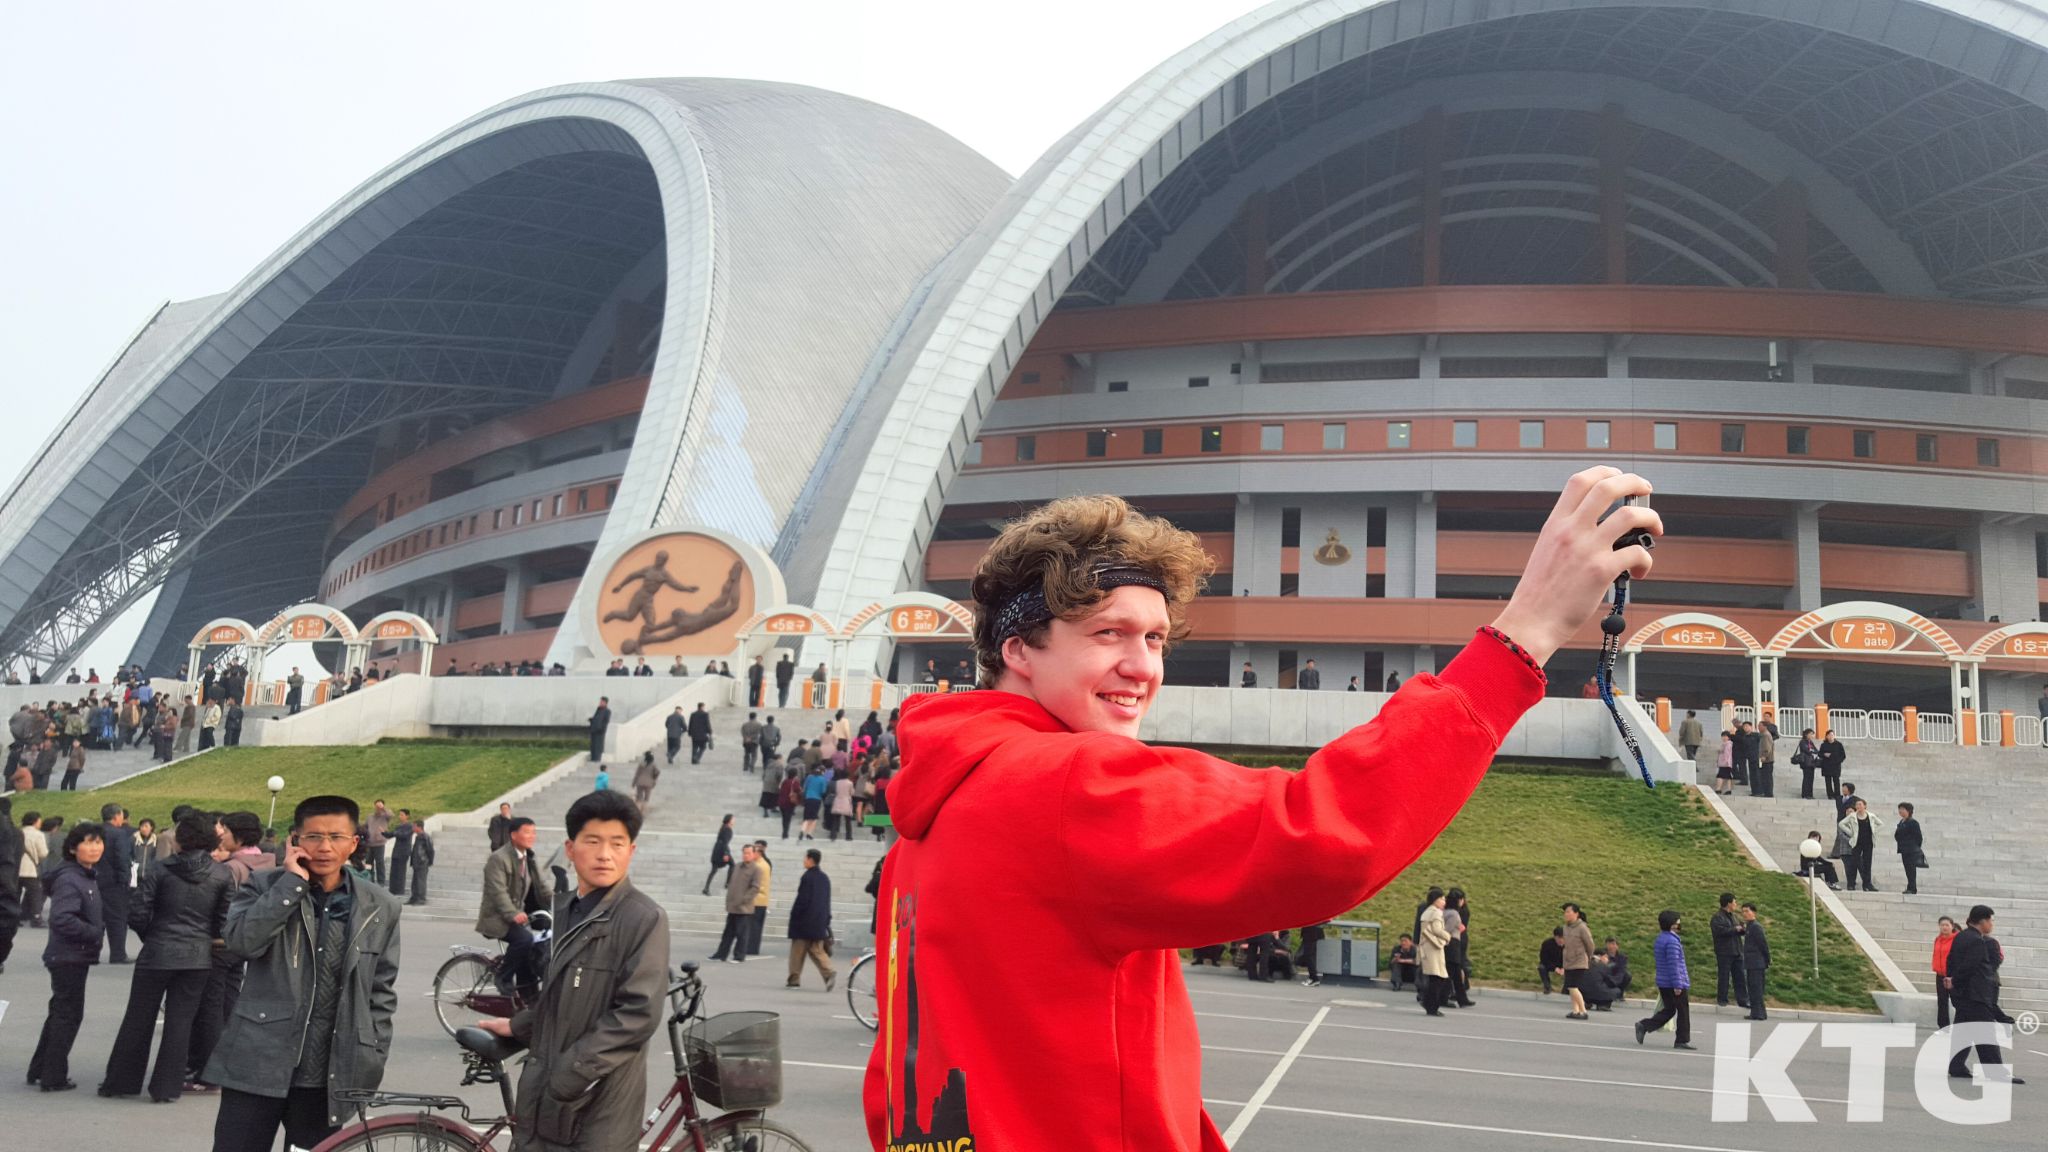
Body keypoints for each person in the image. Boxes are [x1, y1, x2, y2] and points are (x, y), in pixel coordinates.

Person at [859, 469, 1657, 1148]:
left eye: (1158, 640)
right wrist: (1526, 632)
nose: (1142, 667)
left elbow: (897, 1074)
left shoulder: (926, 821)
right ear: (1019, 649)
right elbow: (1324, 830)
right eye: (1110, 633)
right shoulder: (1059, 785)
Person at [203, 796, 401, 1152]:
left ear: (354, 842)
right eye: (314, 836)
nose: (325, 847)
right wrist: (290, 885)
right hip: (257, 1062)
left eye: (337, 837)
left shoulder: (379, 905)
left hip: (329, 1072)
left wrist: (372, 1052)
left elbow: (380, 991)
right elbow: (242, 943)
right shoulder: (264, 886)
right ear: (294, 840)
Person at [476, 790, 670, 1152]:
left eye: (617, 843)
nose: (604, 854)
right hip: (547, 1092)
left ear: (631, 851)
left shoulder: (643, 917)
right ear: (570, 848)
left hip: (597, 1101)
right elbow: (563, 998)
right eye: (592, 841)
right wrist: (518, 1027)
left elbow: (637, 1015)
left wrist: (569, 1075)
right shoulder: (567, 910)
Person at [98, 814, 232, 1102]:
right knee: (180, 1022)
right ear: (212, 840)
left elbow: (137, 913)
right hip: (197, 957)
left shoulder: (160, 870)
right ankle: (166, 1088)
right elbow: (223, 923)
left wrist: (153, 936)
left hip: (157, 951)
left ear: (179, 839)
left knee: (138, 1017)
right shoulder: (222, 875)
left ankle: (121, 1082)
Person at [28, 821, 105, 1092]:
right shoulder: (71, 877)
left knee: (60, 1012)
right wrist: (94, 932)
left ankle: (40, 1069)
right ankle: (53, 1076)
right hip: (68, 956)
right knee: (68, 1016)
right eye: (88, 842)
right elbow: (62, 918)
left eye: (98, 842)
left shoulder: (83, 874)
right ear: (73, 848)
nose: (95, 848)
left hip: (72, 955)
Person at [476, 817, 552, 1000]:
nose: (531, 836)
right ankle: (503, 976)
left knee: (533, 950)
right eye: (527, 832)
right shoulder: (498, 859)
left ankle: (527, 998)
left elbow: (543, 887)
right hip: (497, 917)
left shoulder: (529, 858)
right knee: (524, 940)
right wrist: (513, 913)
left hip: (519, 915)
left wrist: (565, 905)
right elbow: (497, 891)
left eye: (534, 832)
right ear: (513, 835)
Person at [1946, 905, 2022, 1084]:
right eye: (1991, 920)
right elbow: (1971, 967)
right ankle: (1996, 1072)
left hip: (1964, 994)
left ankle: (1956, 1066)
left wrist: (1952, 982)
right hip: (1976, 995)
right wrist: (1955, 980)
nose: (1992, 924)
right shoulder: (1977, 941)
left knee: (1963, 1032)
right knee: (1986, 1034)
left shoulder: (1961, 937)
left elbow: (1951, 960)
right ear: (1983, 921)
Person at [1634, 909, 1695, 1049]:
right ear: (1672, 924)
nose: (1680, 923)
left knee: (1670, 1010)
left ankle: (1644, 1025)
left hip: (1663, 981)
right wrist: (1678, 985)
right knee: (1683, 1011)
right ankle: (1682, 1040)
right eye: (1678, 921)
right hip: (1673, 982)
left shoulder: (1661, 939)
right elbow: (1674, 965)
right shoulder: (1672, 942)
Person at [786, 848, 835, 989]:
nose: (804, 861)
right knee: (817, 950)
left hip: (804, 921)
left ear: (810, 859)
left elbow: (802, 900)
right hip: (819, 921)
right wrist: (826, 919)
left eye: (805, 858)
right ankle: (829, 972)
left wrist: (795, 916)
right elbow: (827, 901)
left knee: (797, 952)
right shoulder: (824, 878)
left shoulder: (807, 877)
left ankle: (794, 979)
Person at [711, 842, 763, 962]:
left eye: (748, 853)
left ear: (754, 854)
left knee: (741, 934)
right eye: (744, 853)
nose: (746, 855)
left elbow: (755, 888)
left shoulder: (756, 869)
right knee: (727, 933)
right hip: (732, 906)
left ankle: (739, 956)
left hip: (743, 908)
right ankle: (721, 954)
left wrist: (744, 899)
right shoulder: (737, 866)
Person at [99, 803, 137, 964]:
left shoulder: (94, 831)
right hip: (113, 882)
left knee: (95, 917)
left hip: (93, 879)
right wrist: (125, 880)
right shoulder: (118, 834)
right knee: (117, 919)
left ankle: (90, 951)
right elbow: (122, 858)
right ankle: (118, 953)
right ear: (116, 816)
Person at [1710, 892, 1748, 1010]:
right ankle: (1722, 999)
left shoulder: (1734, 916)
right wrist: (1734, 929)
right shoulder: (1717, 917)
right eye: (1734, 902)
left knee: (1740, 976)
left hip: (1737, 951)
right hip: (1724, 952)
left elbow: (1738, 929)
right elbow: (1720, 932)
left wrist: (1742, 929)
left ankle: (1743, 1000)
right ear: (1728, 903)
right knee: (1724, 976)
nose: (1736, 904)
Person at [1838, 797, 1884, 891]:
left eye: (1860, 804)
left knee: (1867, 864)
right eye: (1857, 805)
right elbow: (1841, 824)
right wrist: (1852, 833)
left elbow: (1881, 824)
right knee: (1856, 862)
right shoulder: (1852, 816)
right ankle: (1855, 883)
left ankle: (1867, 884)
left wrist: (1873, 832)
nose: (1858, 806)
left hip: (1868, 843)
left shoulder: (1871, 815)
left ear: (1865, 806)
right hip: (1857, 843)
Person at [1417, 888, 1450, 1015]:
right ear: (1435, 899)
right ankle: (1431, 1005)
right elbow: (1436, 930)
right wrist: (1447, 936)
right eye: (1442, 898)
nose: (1444, 901)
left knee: (1434, 977)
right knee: (1437, 978)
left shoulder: (1426, 912)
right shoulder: (1436, 913)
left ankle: (1428, 1002)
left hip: (1427, 947)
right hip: (1434, 948)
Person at [1739, 901, 1771, 1021]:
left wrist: (1767, 959)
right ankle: (1757, 1012)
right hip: (1752, 963)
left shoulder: (1756, 927)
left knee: (1756, 989)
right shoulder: (1749, 926)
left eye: (1747, 911)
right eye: (1743, 911)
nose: (1744, 914)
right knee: (1753, 989)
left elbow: (1763, 944)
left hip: (1757, 963)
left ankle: (1759, 1013)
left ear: (1754, 912)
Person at [1933, 915, 1958, 1029]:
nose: (1944, 927)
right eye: (1942, 925)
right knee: (1942, 1002)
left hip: (1953, 975)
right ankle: (1943, 1027)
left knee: (1957, 1001)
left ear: (1952, 926)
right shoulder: (1938, 939)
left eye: (1947, 925)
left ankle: (1961, 1025)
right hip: (1940, 975)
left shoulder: (1957, 939)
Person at [701, 813, 735, 896]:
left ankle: (706, 888)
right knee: (732, 864)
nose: (734, 820)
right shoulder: (728, 829)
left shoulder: (723, 827)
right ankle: (728, 883)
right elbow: (725, 842)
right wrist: (726, 853)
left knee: (714, 870)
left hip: (717, 850)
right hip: (722, 851)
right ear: (729, 820)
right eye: (733, 819)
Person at [1895, 802, 1924, 895]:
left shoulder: (1913, 822)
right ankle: (1910, 887)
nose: (1900, 811)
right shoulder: (1901, 822)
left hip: (1911, 850)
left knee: (1911, 870)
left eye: (1903, 809)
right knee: (1907, 869)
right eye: (1900, 809)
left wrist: (1914, 847)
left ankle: (1912, 888)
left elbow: (1919, 837)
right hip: (1904, 850)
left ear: (1909, 811)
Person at [364, 799, 392, 885]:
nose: (378, 808)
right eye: (376, 806)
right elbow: (365, 827)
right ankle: (369, 879)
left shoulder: (385, 816)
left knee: (380, 862)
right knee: (368, 863)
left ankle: (381, 881)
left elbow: (391, 815)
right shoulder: (370, 816)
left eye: (379, 806)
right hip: (369, 843)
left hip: (379, 843)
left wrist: (383, 808)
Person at [387, 809, 414, 898]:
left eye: (402, 815)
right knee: (394, 870)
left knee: (400, 871)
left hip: (404, 851)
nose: (400, 817)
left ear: (407, 816)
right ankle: (392, 889)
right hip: (396, 850)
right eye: (399, 815)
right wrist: (383, 832)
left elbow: (404, 835)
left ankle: (399, 890)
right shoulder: (399, 826)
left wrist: (395, 833)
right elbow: (391, 834)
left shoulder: (410, 826)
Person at [406, 820, 433, 906]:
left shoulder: (425, 837)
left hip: (422, 862)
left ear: (419, 827)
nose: (413, 828)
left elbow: (430, 850)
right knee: (415, 881)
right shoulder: (418, 837)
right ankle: (414, 898)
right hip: (416, 862)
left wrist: (428, 861)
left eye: (414, 826)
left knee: (420, 881)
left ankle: (421, 898)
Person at [1819, 730, 1845, 799]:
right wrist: (1824, 754)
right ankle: (1830, 795)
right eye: (1829, 735)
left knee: (1836, 781)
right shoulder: (1823, 745)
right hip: (1826, 766)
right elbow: (1820, 754)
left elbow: (1843, 755)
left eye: (1832, 735)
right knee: (1828, 781)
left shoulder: (1839, 744)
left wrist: (1838, 761)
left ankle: (1837, 795)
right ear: (1826, 736)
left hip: (1836, 766)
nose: (1831, 736)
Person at [1794, 727, 1820, 798]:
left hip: (1812, 762)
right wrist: (1811, 751)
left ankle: (1810, 794)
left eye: (1812, 734)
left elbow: (1816, 750)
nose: (1812, 736)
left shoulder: (1811, 742)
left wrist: (1812, 750)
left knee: (1811, 779)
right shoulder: (1802, 741)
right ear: (1806, 734)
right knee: (1806, 778)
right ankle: (1805, 794)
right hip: (1806, 762)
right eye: (1811, 734)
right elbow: (1806, 750)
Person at [1538, 927, 1564, 994]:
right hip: (1550, 964)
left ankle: (1567, 989)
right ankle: (1547, 986)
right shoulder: (1547, 944)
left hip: (1565, 965)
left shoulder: (1569, 945)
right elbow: (1543, 959)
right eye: (1559, 938)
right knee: (1541, 967)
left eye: (1563, 938)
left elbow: (1571, 959)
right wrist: (1555, 968)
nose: (1561, 940)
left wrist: (1564, 968)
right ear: (1555, 937)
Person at [586, 696, 610, 763]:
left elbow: (605, 721)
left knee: (598, 747)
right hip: (594, 730)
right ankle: (592, 759)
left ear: (605, 703)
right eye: (600, 701)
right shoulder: (598, 710)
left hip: (600, 732)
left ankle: (596, 760)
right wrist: (591, 720)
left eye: (602, 702)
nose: (600, 703)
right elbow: (596, 719)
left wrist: (602, 729)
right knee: (593, 746)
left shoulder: (607, 711)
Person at [1713, 729, 1734, 794]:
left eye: (1726, 736)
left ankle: (1718, 789)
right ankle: (1728, 789)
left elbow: (1727, 754)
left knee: (1720, 776)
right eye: (1723, 736)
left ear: (1728, 737)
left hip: (1725, 763)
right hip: (1725, 763)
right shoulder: (1725, 744)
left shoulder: (1728, 744)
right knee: (1727, 776)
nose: (1724, 738)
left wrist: (1726, 761)